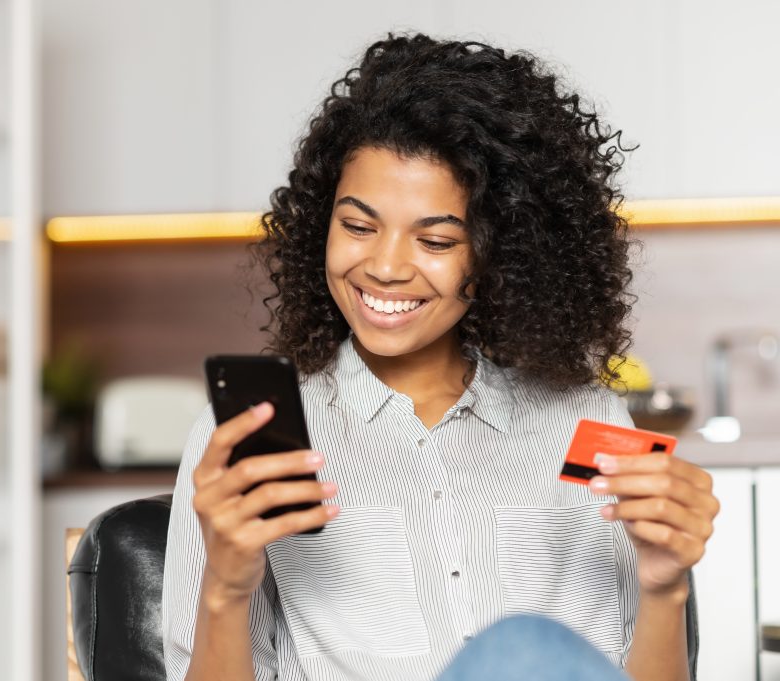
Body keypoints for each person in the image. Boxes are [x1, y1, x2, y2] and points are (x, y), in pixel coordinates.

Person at [162, 34, 719, 681]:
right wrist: (226, 589)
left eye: (435, 238)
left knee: (523, 652)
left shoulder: (593, 424)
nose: (386, 266)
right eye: (358, 226)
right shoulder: (253, 440)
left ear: (495, 254)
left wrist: (665, 587)